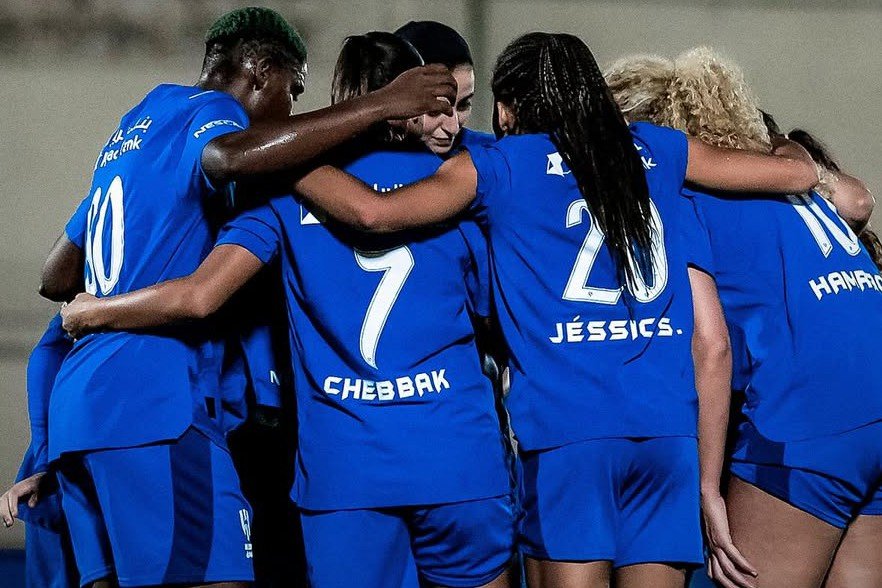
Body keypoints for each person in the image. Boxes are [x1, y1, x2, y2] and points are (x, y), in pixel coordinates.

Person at [65, 32, 819, 588]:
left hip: (366, 470)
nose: (456, 120)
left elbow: (357, 220)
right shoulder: (647, 153)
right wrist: (817, 175)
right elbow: (711, 322)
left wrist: (291, 165)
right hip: (515, 454)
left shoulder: (485, 172)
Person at [64, 31, 514, 588]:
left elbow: (199, 294)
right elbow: (501, 318)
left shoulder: (283, 193)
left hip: (344, 472)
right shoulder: (465, 187)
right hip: (458, 458)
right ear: (412, 104)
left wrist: (92, 312)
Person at [609, 46, 882, 588]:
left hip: (809, 419)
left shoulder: (687, 197)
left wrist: (708, 486)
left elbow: (711, 347)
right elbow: (858, 202)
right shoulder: (799, 192)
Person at [396, 20, 495, 156]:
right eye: (436, 109)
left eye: (463, 105)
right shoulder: (360, 156)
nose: (453, 128)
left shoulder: (495, 155)